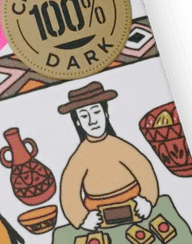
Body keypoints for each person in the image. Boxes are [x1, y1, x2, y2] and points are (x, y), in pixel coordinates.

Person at [55, 81, 162, 230]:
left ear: (105, 113)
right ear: (78, 122)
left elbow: (145, 172)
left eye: (96, 112)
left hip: (135, 208)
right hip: (99, 217)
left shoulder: (120, 147)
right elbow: (69, 191)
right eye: (84, 116)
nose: (92, 121)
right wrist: (82, 218)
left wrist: (147, 200)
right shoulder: (80, 157)